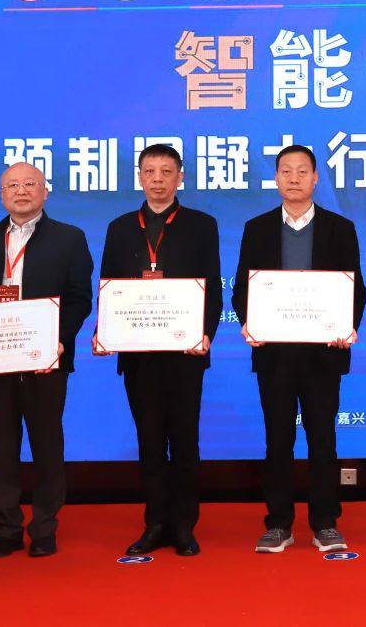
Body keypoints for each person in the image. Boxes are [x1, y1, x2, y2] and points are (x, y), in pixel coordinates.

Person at [233, 145, 366, 554]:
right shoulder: (257, 228)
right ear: (276, 178)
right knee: (277, 440)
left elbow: (355, 289)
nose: (293, 178)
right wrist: (249, 322)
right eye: (286, 171)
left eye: (302, 171)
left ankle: (325, 523)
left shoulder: (340, 228)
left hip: (322, 354)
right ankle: (278, 524)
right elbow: (242, 289)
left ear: (315, 179)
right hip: (274, 354)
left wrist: (346, 327)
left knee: (323, 439)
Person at [93, 144, 222, 556]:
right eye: (150, 171)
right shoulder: (119, 228)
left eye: (167, 171)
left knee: (184, 440)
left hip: (185, 354)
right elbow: (109, 287)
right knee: (149, 441)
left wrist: (205, 334)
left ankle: (184, 526)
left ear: (180, 177)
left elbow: (213, 287)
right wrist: (103, 332)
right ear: (140, 177)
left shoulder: (202, 225)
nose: (158, 179)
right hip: (138, 355)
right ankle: (154, 523)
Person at [0, 161, 93, 559]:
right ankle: (5, 529)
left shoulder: (69, 238)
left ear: (45, 191)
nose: (21, 191)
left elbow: (79, 299)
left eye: (30, 184)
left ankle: (44, 528)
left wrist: (58, 340)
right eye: (13, 185)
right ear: (2, 194)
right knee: (1, 447)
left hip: (45, 359)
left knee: (47, 444)